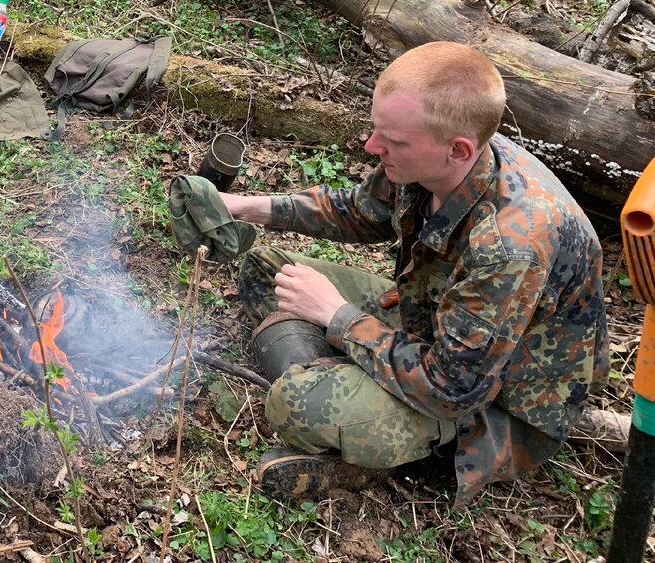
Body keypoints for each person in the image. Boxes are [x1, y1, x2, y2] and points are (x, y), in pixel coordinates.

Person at [223, 42, 608, 505]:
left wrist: (337, 317)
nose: (372, 147)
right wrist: (246, 208)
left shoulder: (511, 244)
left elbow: (453, 388)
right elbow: (361, 211)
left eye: (393, 141)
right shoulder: (437, 154)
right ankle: (344, 388)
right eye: (378, 131)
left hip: (491, 403)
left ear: (457, 150)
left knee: (297, 404)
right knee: (268, 269)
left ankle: (386, 439)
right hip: (433, 322)